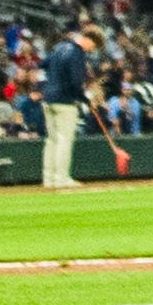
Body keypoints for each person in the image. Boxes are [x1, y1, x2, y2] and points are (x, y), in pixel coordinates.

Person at [42, 24, 93, 190]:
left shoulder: (59, 47)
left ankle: (48, 179)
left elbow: (43, 64)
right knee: (64, 140)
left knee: (51, 140)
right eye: (93, 45)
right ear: (87, 39)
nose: (91, 49)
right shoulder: (77, 53)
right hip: (65, 101)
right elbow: (75, 82)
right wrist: (85, 99)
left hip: (48, 98)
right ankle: (61, 178)